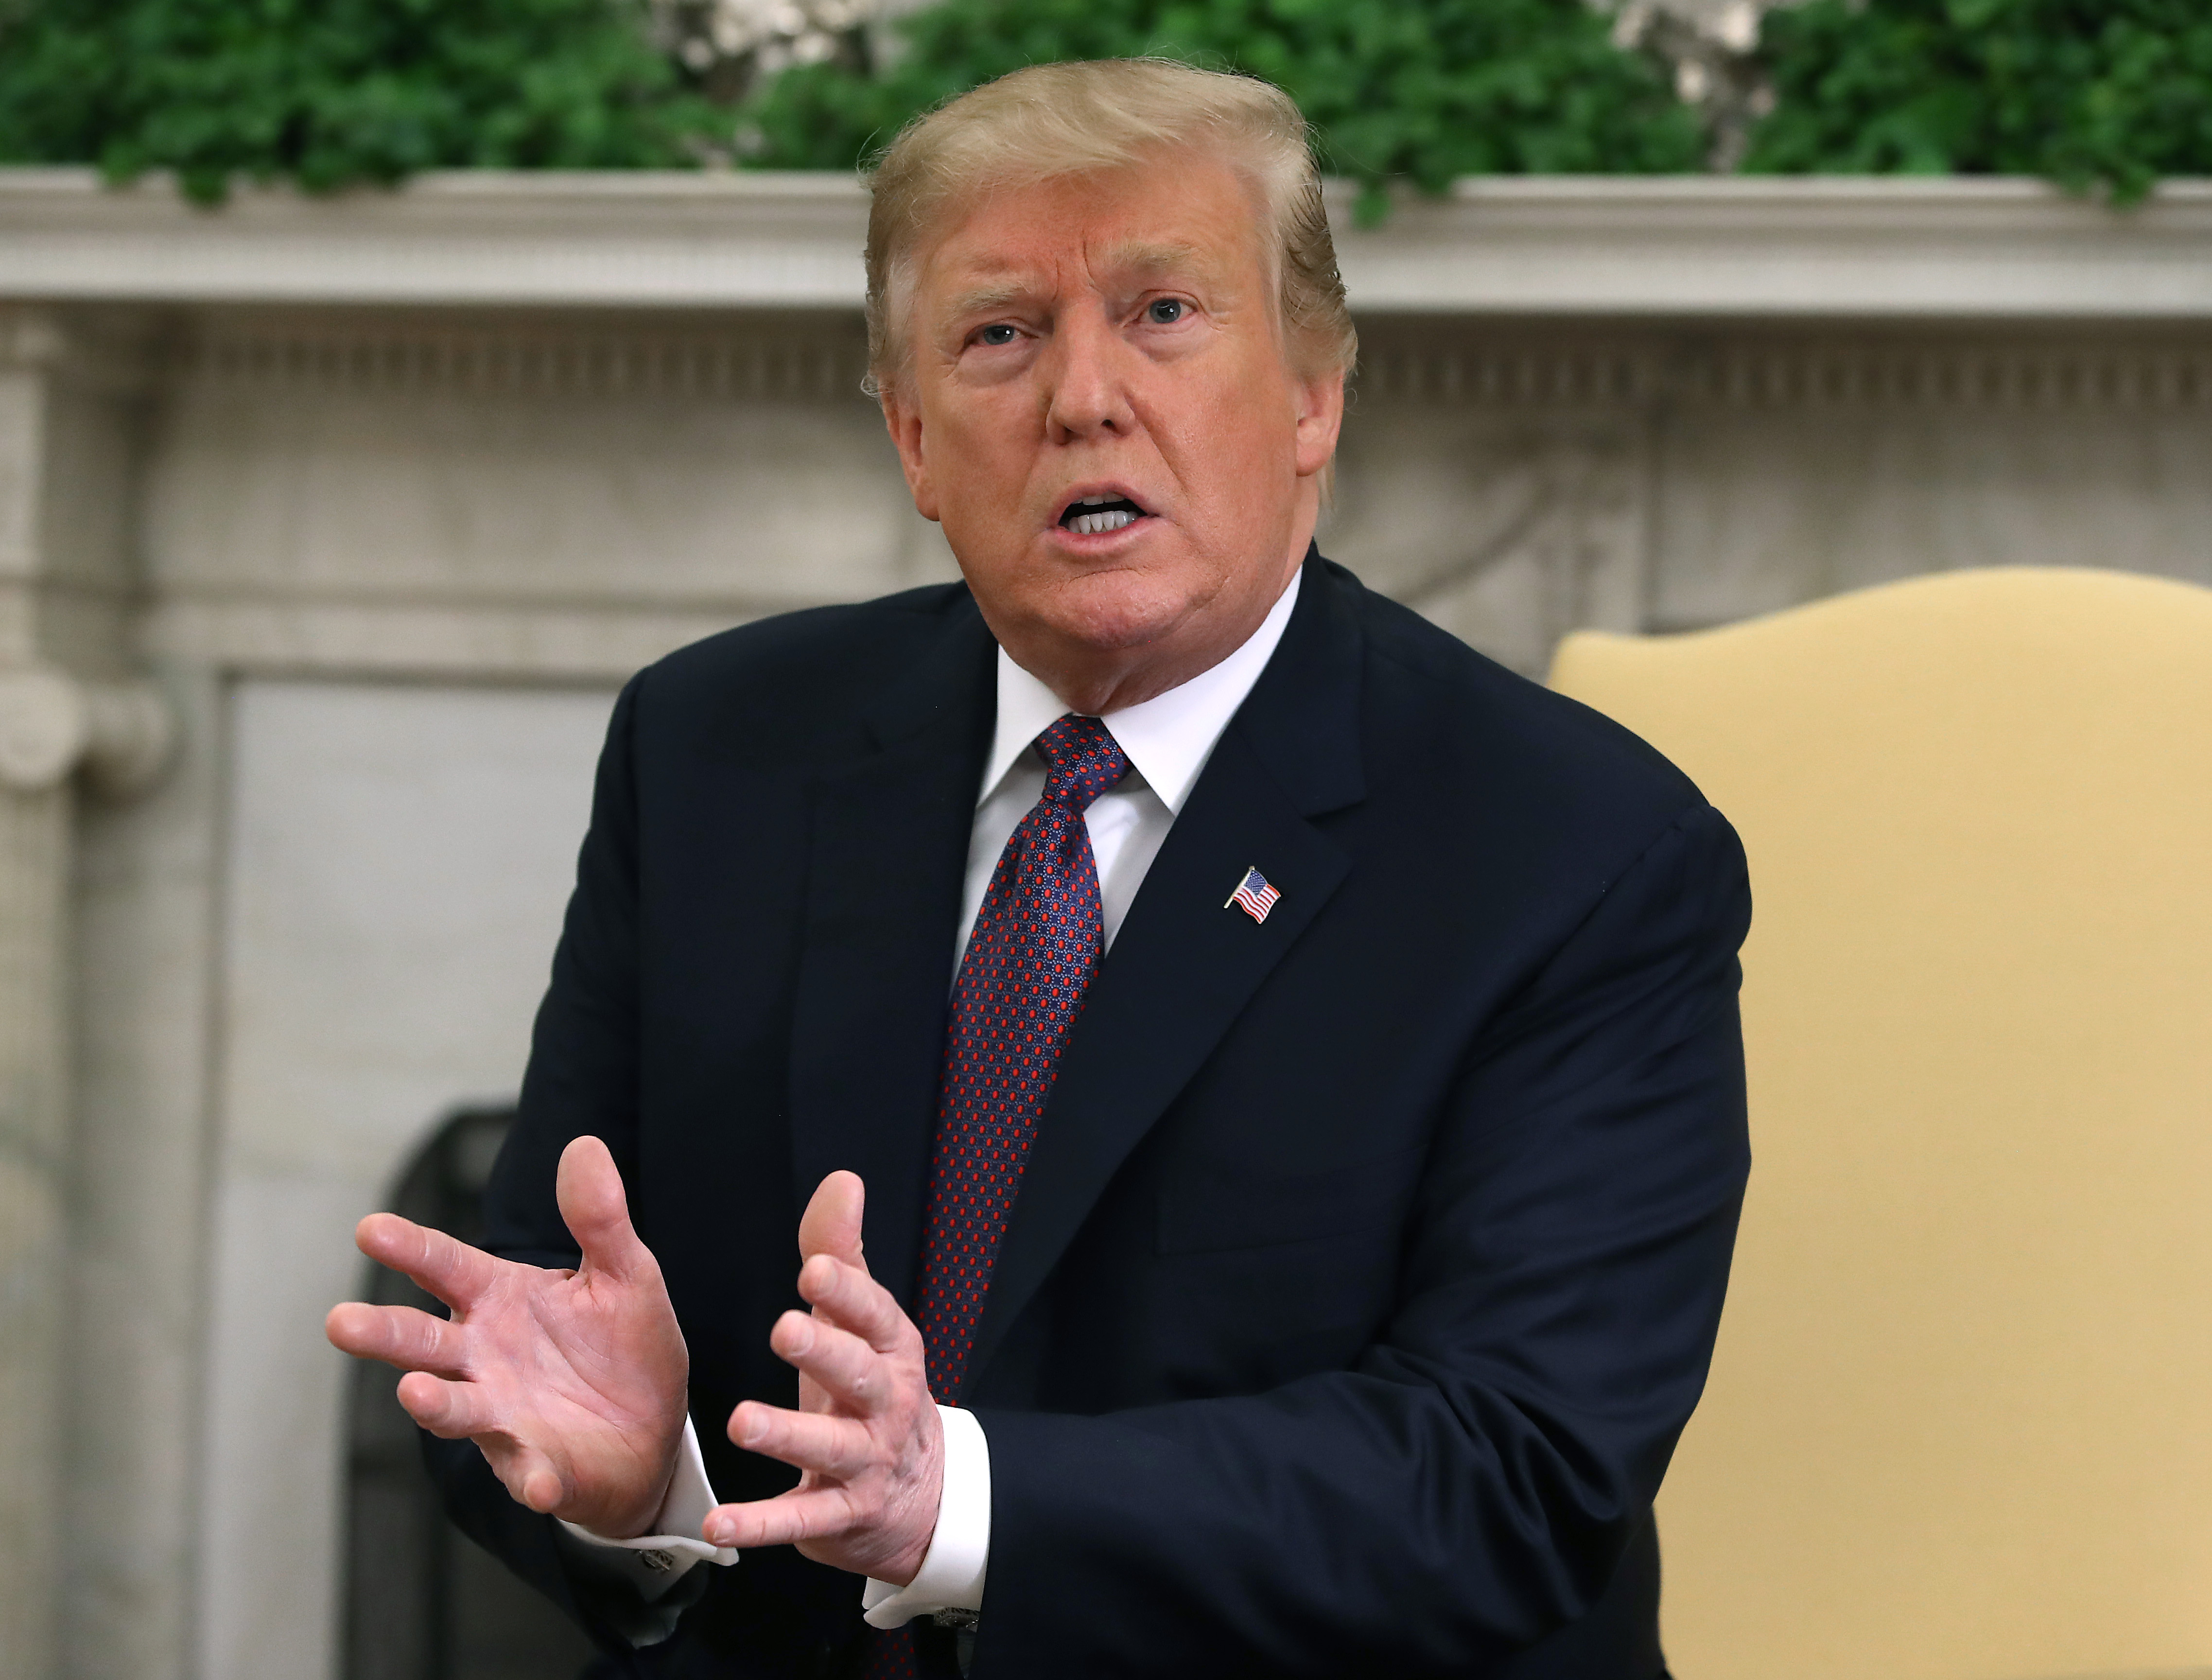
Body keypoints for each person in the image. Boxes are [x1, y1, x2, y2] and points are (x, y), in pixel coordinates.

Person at [327, 57, 1750, 1680]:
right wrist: (645, 1484)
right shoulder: (716, 749)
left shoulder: (1577, 850)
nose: (1083, 396)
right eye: (1001, 333)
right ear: (917, 438)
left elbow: (1515, 1476)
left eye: (1163, 313)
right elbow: (535, 1338)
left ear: (1311, 398)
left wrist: (963, 1502)